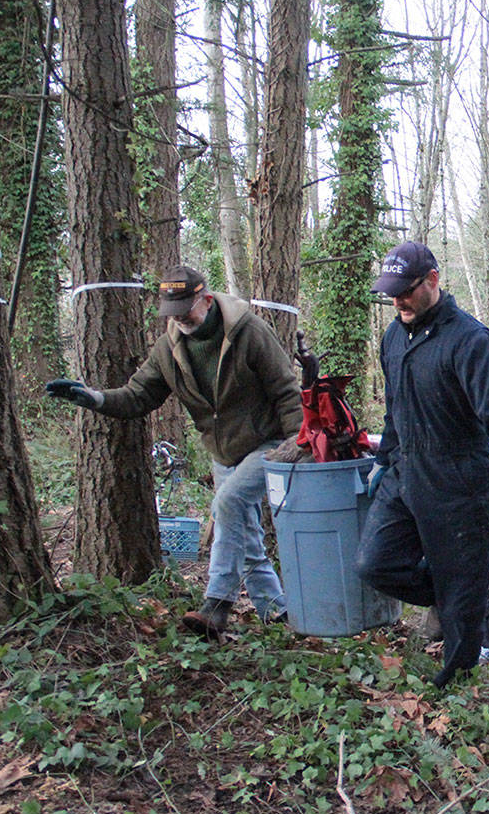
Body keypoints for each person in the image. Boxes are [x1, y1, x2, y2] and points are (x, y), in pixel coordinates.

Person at [45, 265, 303, 639]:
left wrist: (296, 441)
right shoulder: (169, 348)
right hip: (223, 451)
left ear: (207, 300)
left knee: (227, 505)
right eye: (172, 310)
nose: (180, 317)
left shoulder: (249, 332)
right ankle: (276, 613)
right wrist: (93, 398)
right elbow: (139, 395)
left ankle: (217, 605)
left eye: (187, 307)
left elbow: (285, 390)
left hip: (270, 443)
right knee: (244, 535)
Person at [355, 241, 489, 689]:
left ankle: (458, 682)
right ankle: (465, 595)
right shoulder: (393, 336)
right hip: (405, 473)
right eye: (391, 292)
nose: (397, 301)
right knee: (375, 564)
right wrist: (384, 458)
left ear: (433, 280)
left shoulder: (469, 340)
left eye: (406, 290)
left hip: (457, 483)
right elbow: (396, 405)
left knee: (459, 598)